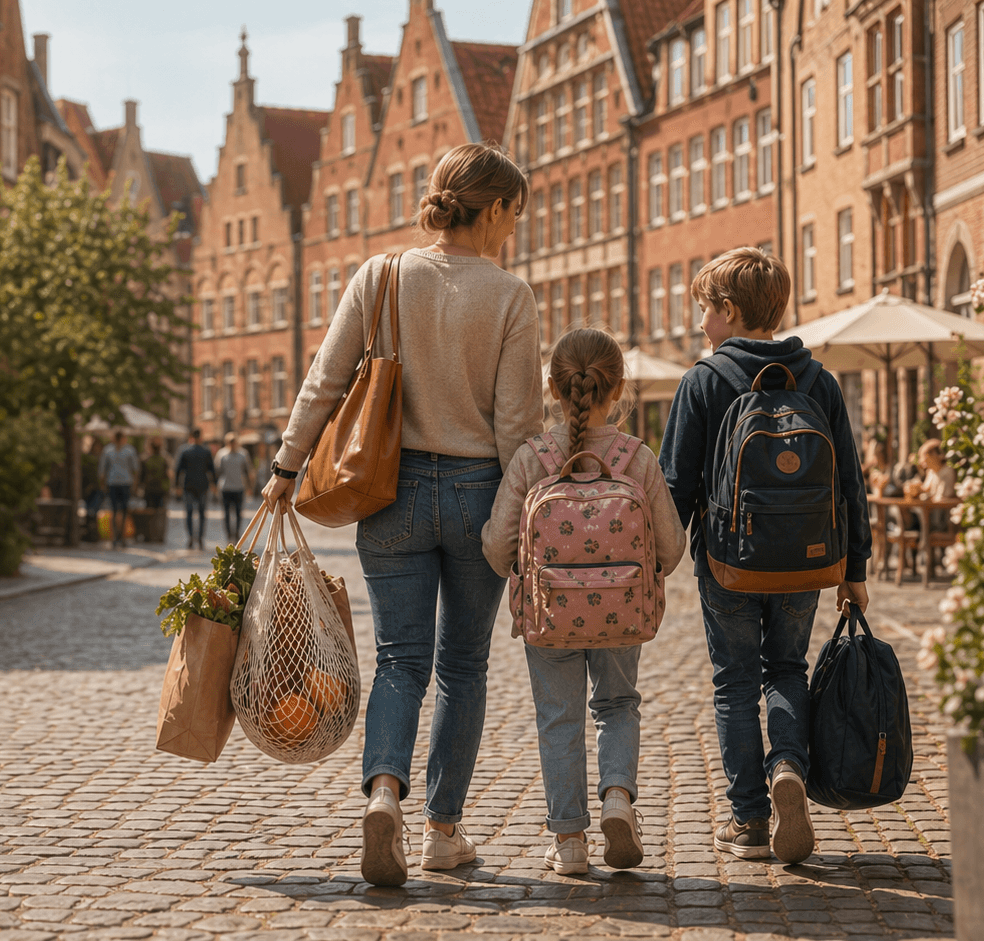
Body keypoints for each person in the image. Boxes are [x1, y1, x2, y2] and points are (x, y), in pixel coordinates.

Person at [261, 142, 544, 886]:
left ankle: (383, 792)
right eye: (516, 212)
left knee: (399, 660)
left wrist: (286, 467)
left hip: (390, 491)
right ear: (494, 209)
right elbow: (518, 427)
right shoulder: (511, 296)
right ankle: (442, 830)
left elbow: (325, 380)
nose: (516, 227)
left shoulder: (381, 275)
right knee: (463, 666)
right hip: (481, 492)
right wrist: (524, 520)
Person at [659, 248, 871, 865]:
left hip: (728, 560)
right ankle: (789, 768)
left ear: (729, 310)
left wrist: (659, 565)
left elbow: (676, 486)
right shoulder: (819, 381)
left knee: (733, 683)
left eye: (706, 310)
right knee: (787, 669)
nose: (702, 324)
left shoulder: (704, 380)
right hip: (806, 559)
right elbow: (849, 484)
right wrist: (854, 569)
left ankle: (749, 819)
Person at [483, 328, 687, 874]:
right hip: (622, 613)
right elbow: (671, 545)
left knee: (559, 718)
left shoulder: (533, 458)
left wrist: (524, 572)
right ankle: (618, 798)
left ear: (552, 387)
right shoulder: (636, 457)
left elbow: (495, 542)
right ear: (618, 390)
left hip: (549, 614)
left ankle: (569, 841)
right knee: (618, 705)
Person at [175, 429, 216, 550]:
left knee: (189, 512)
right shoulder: (206, 451)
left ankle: (191, 537)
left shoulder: (184, 451)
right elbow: (211, 470)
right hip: (203, 485)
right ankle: (201, 538)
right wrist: (214, 484)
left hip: (188, 485)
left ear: (191, 437)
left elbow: (178, 470)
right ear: (201, 437)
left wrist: (177, 485)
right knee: (202, 513)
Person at [99, 431, 140, 550]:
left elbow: (135, 469)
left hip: (125, 483)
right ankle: (115, 537)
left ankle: (121, 537)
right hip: (114, 483)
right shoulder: (108, 451)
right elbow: (103, 470)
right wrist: (103, 484)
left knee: (123, 510)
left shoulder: (129, 451)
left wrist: (135, 484)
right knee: (114, 510)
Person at [216, 433, 252, 543]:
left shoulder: (243, 454)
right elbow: (217, 470)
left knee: (238, 513)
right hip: (225, 488)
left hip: (239, 487)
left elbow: (247, 471)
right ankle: (228, 534)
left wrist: (249, 487)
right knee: (226, 513)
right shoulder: (221, 454)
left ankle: (236, 533)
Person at [80, 438, 105, 543]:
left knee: (93, 511)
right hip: (89, 489)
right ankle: (90, 534)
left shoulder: (101, 459)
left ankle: (93, 534)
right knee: (90, 512)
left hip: (98, 489)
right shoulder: (89, 459)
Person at [141, 439, 170, 510]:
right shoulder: (164, 460)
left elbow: (142, 475)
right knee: (160, 510)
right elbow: (168, 475)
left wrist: (140, 487)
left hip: (149, 488)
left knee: (149, 510)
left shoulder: (145, 460)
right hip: (161, 489)